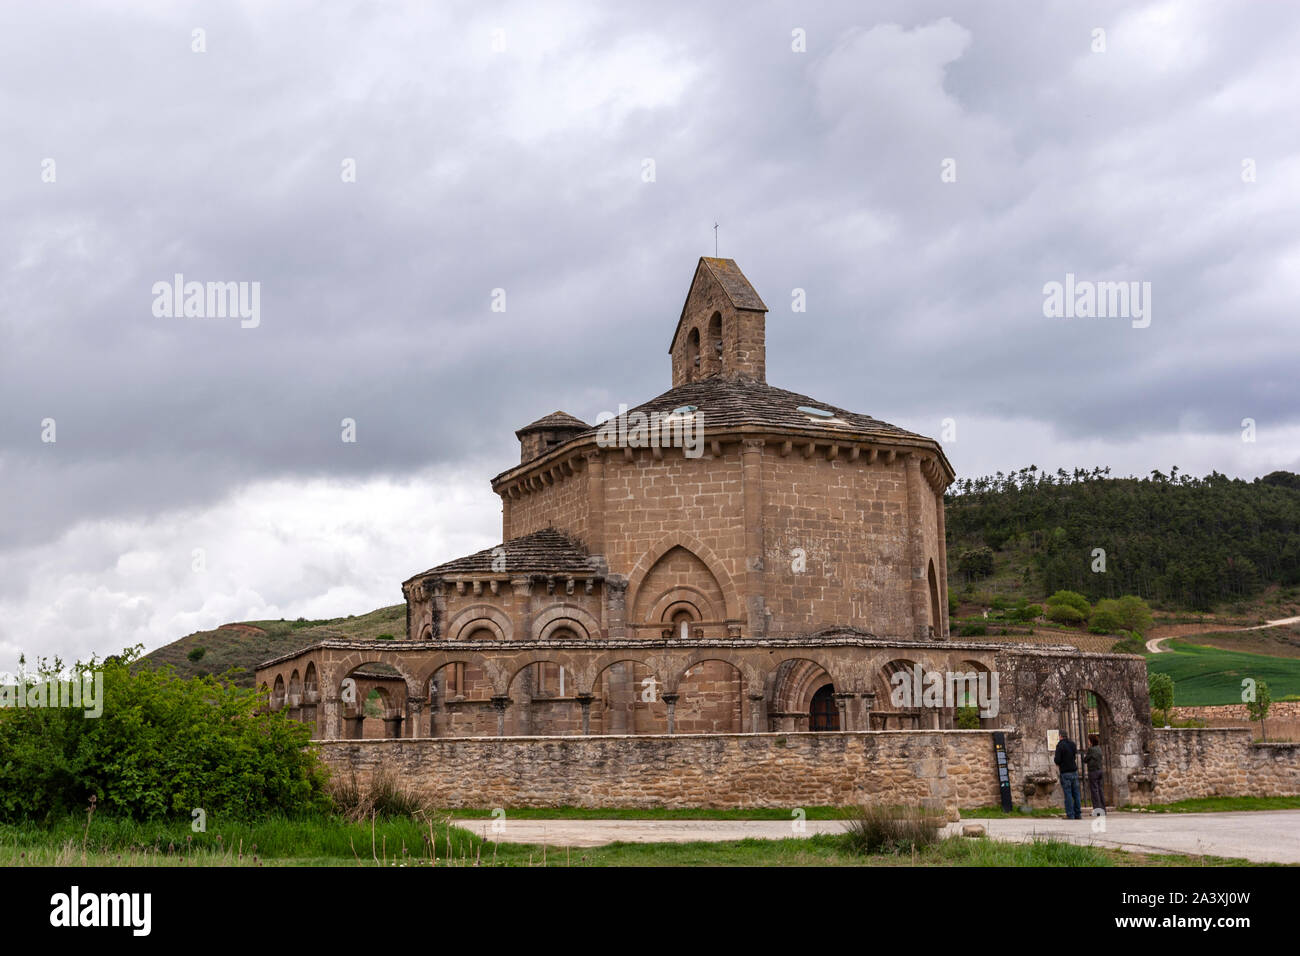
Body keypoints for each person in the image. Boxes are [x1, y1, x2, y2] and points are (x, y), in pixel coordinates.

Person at [1053, 732, 1082, 819]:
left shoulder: (1060, 745)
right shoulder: (1072, 744)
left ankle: (1070, 814)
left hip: (1065, 772)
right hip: (1074, 771)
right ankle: (1078, 814)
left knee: (1068, 794)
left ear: (1060, 736)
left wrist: (1059, 762)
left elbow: (1057, 760)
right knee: (1076, 794)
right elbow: (1074, 756)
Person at [1085, 733, 1105, 813]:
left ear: (1091, 741)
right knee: (1100, 790)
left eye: (1088, 740)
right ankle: (1103, 809)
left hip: (1093, 772)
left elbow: (1085, 759)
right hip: (1100, 770)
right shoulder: (1099, 748)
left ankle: (1097, 810)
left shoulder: (1091, 749)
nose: (1088, 741)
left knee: (1094, 791)